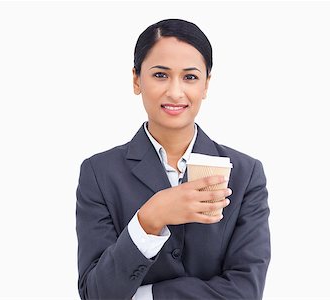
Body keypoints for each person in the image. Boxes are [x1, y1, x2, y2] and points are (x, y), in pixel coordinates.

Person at [76, 18, 270, 300]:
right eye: (160, 75)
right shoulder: (99, 172)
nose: (175, 92)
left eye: (190, 77)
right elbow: (95, 293)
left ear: (206, 85)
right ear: (136, 80)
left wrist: (148, 295)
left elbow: (246, 291)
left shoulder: (246, 173)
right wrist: (150, 219)